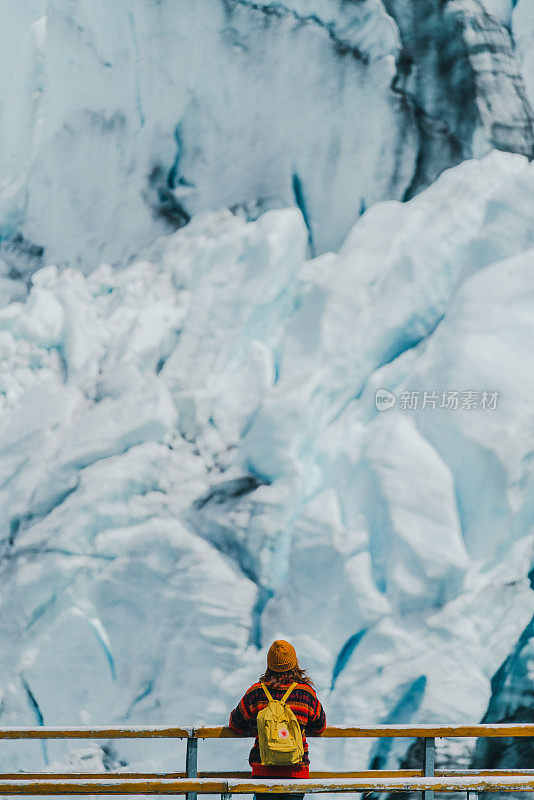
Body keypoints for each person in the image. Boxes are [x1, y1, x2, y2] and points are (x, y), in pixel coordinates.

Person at [229, 640, 326, 800]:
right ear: (294, 663)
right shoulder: (305, 693)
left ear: (269, 664)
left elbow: (235, 723)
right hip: (296, 772)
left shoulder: (257, 692)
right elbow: (320, 725)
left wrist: (257, 722)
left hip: (263, 771)